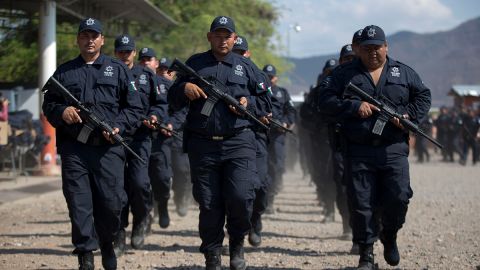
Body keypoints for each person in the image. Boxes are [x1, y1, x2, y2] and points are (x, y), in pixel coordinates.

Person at [317, 25, 431, 269]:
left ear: (386, 47)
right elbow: (323, 101)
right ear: (358, 49)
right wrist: (353, 107)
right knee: (361, 202)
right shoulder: (342, 75)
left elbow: (423, 96)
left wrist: (408, 116)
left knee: (398, 197)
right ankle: (366, 253)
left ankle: (389, 235)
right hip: (358, 149)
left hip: (393, 148)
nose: (373, 53)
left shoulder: (404, 73)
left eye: (377, 47)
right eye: (367, 49)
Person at [168, 16, 270, 270]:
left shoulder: (247, 67)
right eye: (218, 35)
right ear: (209, 37)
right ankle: (212, 254)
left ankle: (237, 243)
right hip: (203, 144)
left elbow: (266, 102)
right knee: (209, 202)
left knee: (240, 196)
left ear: (234, 39)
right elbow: (172, 99)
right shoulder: (195, 64)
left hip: (239, 142)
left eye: (228, 36)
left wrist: (249, 104)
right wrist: (185, 89)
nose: (223, 40)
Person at [42, 18, 143, 270]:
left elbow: (134, 107)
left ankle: (108, 244)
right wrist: (62, 111)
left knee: (111, 203)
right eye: (85, 36)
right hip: (75, 148)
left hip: (108, 149)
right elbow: (49, 105)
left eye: (94, 36)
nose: (90, 40)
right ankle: (85, 255)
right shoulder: (64, 72)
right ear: (78, 39)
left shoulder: (118, 69)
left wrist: (119, 126)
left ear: (102, 40)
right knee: (79, 204)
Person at [113, 35, 166, 256]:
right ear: (115, 52)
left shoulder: (147, 76)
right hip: (113, 139)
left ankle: (142, 218)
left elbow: (160, 104)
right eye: (121, 51)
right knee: (115, 188)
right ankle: (118, 233)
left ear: (134, 53)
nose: (125, 55)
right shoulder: (107, 71)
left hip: (141, 138)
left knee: (139, 183)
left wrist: (154, 116)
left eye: (128, 51)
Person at [232, 35, 272, 247]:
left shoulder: (257, 74)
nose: (237, 57)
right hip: (232, 138)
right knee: (233, 190)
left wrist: (255, 107)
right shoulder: (223, 72)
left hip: (255, 136)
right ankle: (234, 233)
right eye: (234, 53)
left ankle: (255, 219)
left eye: (241, 53)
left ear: (248, 54)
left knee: (260, 186)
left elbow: (268, 103)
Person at [137, 48, 174, 228]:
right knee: (141, 181)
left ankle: (163, 204)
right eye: (142, 59)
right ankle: (145, 217)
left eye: (149, 59)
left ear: (156, 62)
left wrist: (170, 123)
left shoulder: (166, 84)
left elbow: (175, 108)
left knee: (161, 178)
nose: (145, 62)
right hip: (138, 137)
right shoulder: (132, 81)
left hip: (161, 138)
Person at [158, 57, 193, 217]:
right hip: (157, 136)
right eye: (161, 70)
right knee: (159, 175)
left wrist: (172, 124)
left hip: (178, 135)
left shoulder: (180, 89)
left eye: (167, 71)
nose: (164, 74)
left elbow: (185, 111)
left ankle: (180, 199)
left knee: (182, 170)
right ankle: (158, 206)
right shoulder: (153, 87)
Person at [263, 64, 296, 214]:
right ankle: (265, 200)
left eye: (271, 77)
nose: (269, 80)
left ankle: (271, 198)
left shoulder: (283, 93)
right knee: (263, 168)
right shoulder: (258, 90)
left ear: (276, 77)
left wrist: (286, 122)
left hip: (277, 137)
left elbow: (291, 111)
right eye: (266, 77)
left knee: (277, 167)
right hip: (262, 135)